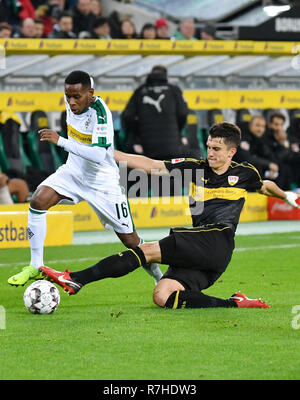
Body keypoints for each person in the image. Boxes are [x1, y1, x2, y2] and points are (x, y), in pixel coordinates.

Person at [41, 122, 300, 309]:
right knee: (163, 295)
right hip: (203, 252)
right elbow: (151, 165)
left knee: (147, 250)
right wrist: (108, 153)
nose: (210, 153)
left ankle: (76, 279)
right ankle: (234, 303)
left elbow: (266, 186)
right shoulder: (195, 167)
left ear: (231, 152)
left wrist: (288, 197)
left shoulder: (245, 173)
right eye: (209, 147)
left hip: (218, 240)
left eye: (217, 149)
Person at [7, 70, 162, 287]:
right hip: (73, 172)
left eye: (76, 97)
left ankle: (159, 278)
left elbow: (99, 156)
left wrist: (60, 141)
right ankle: (36, 265)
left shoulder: (101, 115)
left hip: (102, 182)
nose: (71, 102)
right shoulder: (73, 97)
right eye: (67, 96)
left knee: (131, 241)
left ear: (90, 93)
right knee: (38, 201)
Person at [121, 65, 200, 160]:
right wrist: (176, 130)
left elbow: (127, 116)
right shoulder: (174, 90)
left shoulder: (140, 91)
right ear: (165, 75)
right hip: (172, 146)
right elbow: (183, 113)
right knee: (172, 172)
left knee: (153, 172)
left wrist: (139, 131)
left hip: (148, 146)